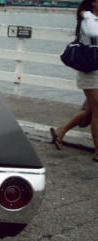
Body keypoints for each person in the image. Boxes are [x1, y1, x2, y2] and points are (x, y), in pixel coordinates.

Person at [50, 0, 98, 162]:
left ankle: (60, 131)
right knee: (97, 111)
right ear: (93, 2)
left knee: (90, 111)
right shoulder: (87, 19)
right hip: (90, 70)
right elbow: (93, 33)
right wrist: (88, 15)